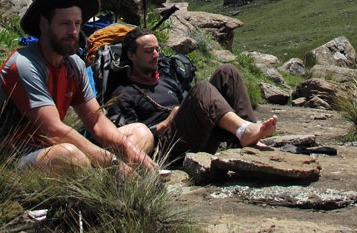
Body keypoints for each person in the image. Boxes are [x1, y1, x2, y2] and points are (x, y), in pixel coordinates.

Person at [0, 0, 154, 171]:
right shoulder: (24, 65)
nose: (74, 32)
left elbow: (96, 121)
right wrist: (113, 163)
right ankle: (113, 177)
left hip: (55, 148)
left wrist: (128, 150)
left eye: (77, 24)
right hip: (15, 159)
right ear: (44, 25)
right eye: (65, 24)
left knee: (141, 132)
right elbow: (54, 130)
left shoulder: (74, 64)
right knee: (70, 156)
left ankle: (124, 175)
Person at [107, 27, 277, 159]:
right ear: (131, 55)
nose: (156, 55)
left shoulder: (167, 79)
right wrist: (165, 123)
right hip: (168, 148)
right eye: (148, 51)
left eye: (157, 49)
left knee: (227, 72)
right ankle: (244, 131)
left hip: (194, 134)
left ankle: (248, 136)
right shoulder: (123, 93)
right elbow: (125, 140)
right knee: (202, 88)